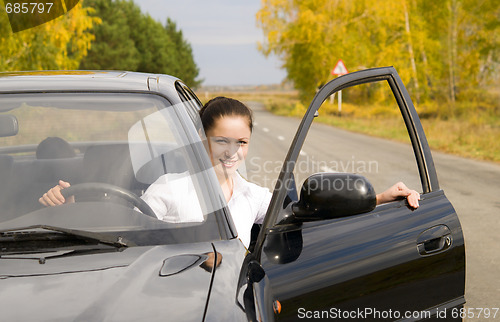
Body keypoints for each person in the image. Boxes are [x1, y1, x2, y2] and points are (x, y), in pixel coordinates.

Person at [39, 96, 420, 248]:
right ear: (201, 140)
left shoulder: (252, 197)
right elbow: (124, 231)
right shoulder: (168, 188)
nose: (232, 152)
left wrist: (381, 198)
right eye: (221, 141)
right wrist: (68, 206)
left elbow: (311, 212)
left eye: (241, 143)